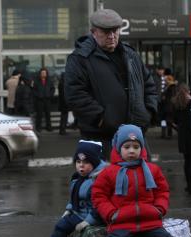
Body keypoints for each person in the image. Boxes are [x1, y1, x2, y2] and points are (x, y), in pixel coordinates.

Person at [91, 124, 191, 237]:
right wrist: (111, 213)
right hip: (121, 220)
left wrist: (159, 209)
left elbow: (162, 191)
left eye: (136, 147)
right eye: (127, 146)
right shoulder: (109, 172)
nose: (131, 151)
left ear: (142, 148)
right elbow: (98, 195)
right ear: (118, 148)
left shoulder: (152, 169)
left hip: (149, 220)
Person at [64, 9, 158, 158]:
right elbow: (75, 95)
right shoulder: (80, 59)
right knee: (105, 181)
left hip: (135, 138)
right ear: (93, 32)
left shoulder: (131, 55)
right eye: (106, 32)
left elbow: (149, 85)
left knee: (141, 180)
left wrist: (148, 113)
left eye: (115, 31)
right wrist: (102, 119)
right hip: (101, 141)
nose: (112, 36)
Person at [37, 140, 107, 237]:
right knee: (63, 223)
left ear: (95, 163)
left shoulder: (98, 180)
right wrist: (69, 209)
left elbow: (99, 206)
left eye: (86, 163)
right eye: (78, 162)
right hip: (79, 213)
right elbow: (73, 197)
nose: (81, 166)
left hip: (90, 216)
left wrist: (88, 222)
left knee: (61, 226)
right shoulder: (79, 177)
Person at [33, 68, 55, 132]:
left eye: (44, 73)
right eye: (42, 73)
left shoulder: (49, 80)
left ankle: (49, 127)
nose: (43, 74)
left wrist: (50, 95)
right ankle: (38, 127)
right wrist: (38, 95)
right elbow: (34, 90)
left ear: (46, 73)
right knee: (39, 115)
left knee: (48, 114)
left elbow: (52, 89)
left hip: (47, 100)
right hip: (39, 100)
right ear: (40, 74)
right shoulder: (36, 81)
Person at [160, 75, 177, 139]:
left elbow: (172, 98)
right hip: (167, 106)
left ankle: (170, 134)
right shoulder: (168, 87)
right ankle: (165, 134)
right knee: (166, 121)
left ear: (169, 80)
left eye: (166, 80)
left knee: (169, 121)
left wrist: (164, 97)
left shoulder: (172, 87)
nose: (165, 81)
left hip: (169, 107)